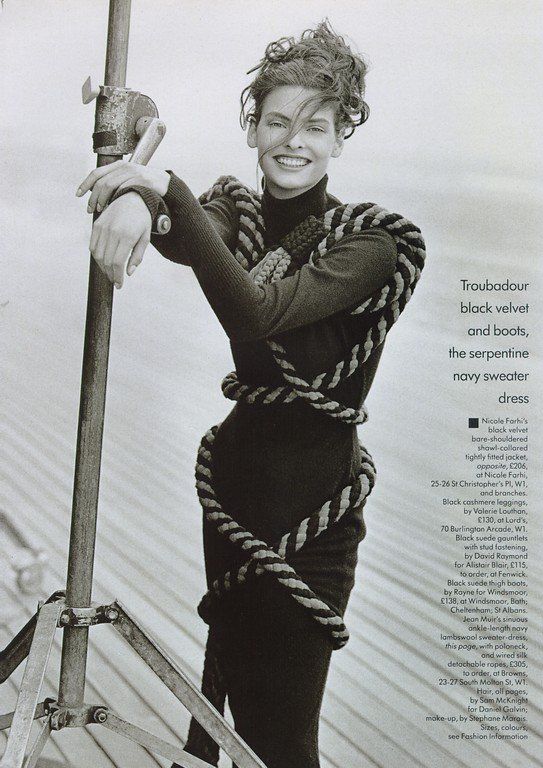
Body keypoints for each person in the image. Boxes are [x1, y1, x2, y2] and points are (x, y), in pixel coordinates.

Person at [77, 20, 425, 768]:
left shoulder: (370, 244)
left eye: (315, 127)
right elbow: (182, 229)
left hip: (314, 507)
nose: (292, 141)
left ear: (341, 137)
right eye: (276, 121)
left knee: (281, 738)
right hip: (237, 493)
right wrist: (137, 197)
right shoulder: (235, 214)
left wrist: (160, 188)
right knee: (219, 709)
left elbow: (254, 312)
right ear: (252, 128)